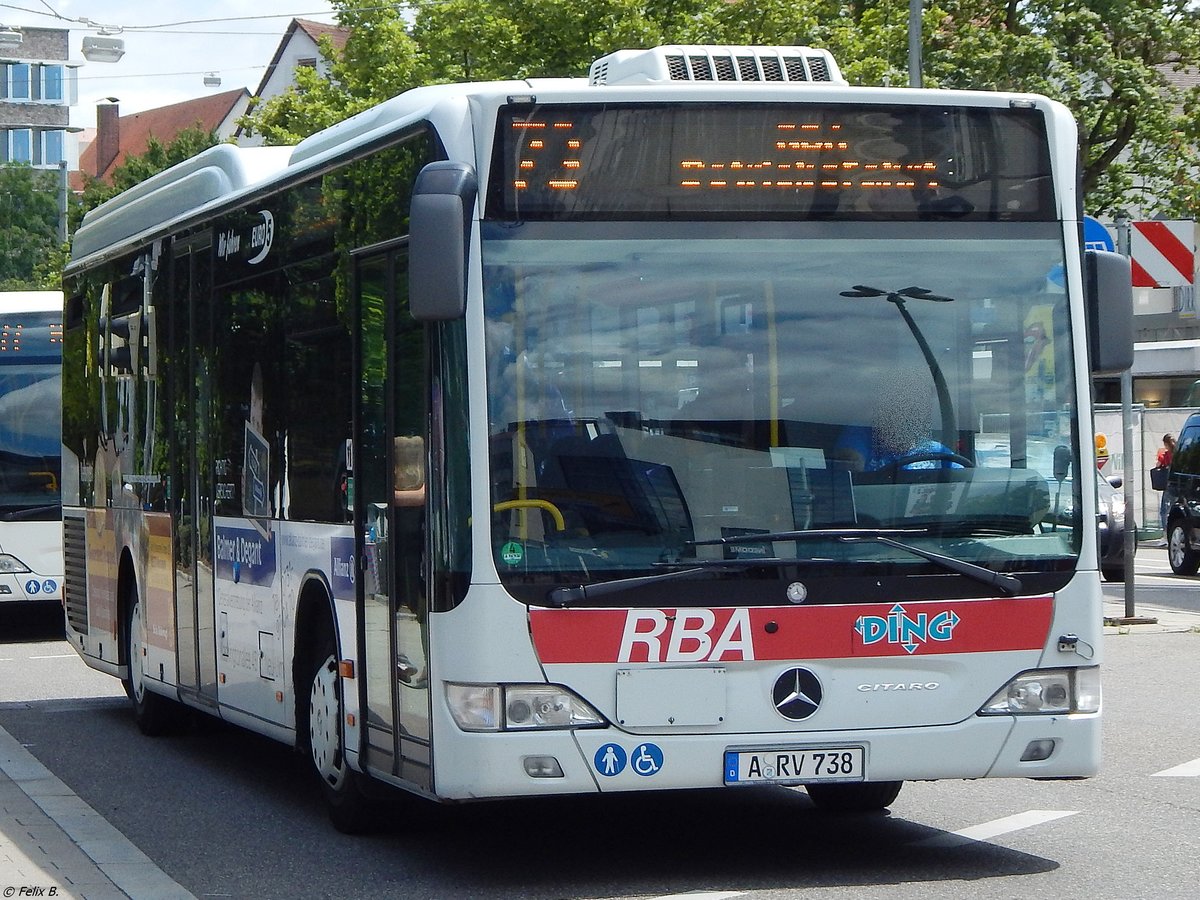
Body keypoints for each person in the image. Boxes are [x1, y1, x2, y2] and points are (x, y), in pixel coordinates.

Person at [1157, 433, 1176, 537]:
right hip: (1180, 485)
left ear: (1166, 444)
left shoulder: (1165, 455)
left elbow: (1158, 465)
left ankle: (1166, 534)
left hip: (1169, 485)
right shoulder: (1179, 453)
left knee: (1164, 511)